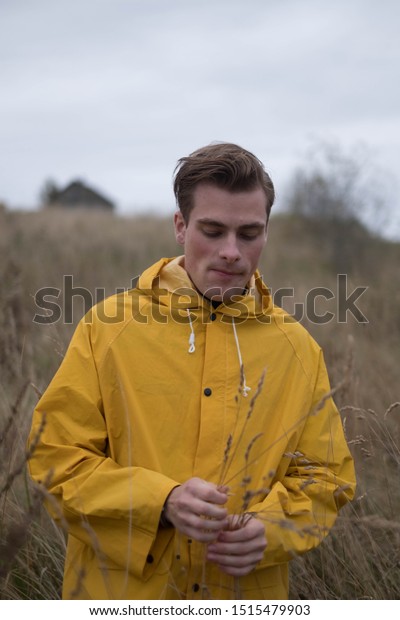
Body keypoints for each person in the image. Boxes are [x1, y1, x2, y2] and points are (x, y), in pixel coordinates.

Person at [28, 142, 356, 600]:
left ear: (266, 232)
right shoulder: (107, 329)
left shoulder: (297, 348)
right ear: (181, 227)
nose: (231, 252)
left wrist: (273, 529)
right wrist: (158, 501)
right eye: (213, 229)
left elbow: (326, 478)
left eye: (249, 233)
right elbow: (54, 459)